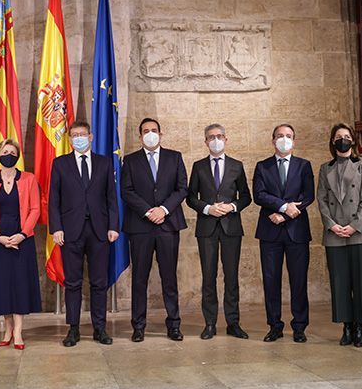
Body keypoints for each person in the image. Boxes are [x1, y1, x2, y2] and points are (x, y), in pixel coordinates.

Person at [49, 121, 119, 347]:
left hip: (100, 230)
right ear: (70, 140)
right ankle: (73, 329)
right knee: (73, 282)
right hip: (70, 231)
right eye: (74, 135)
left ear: (91, 137)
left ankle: (100, 328)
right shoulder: (60, 164)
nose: (78, 138)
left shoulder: (104, 163)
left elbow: (111, 198)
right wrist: (56, 228)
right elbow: (54, 200)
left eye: (82, 134)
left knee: (99, 282)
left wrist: (113, 226)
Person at [121, 117, 188, 342]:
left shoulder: (174, 157)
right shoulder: (129, 161)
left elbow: (182, 188)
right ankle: (138, 326)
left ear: (161, 134)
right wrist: (149, 211)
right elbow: (127, 191)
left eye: (154, 130)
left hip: (168, 225)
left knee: (169, 277)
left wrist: (164, 210)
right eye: (146, 131)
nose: (150, 134)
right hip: (141, 226)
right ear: (140, 136)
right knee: (140, 278)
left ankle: (174, 325)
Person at [186, 123, 252, 340]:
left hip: (231, 228)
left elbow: (245, 197)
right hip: (206, 228)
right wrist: (207, 208)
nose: (216, 140)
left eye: (220, 136)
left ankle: (233, 323)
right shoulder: (198, 166)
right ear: (205, 141)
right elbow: (190, 197)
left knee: (231, 277)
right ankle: (210, 323)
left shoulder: (236, 166)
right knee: (208, 276)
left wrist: (232, 206)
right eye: (211, 137)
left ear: (226, 139)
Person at [317, 123, 362, 347]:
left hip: (360, 232)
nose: (342, 139)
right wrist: (332, 225)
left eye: (346, 136)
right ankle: (347, 326)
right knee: (340, 282)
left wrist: (354, 225)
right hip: (334, 233)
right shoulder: (325, 168)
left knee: (361, 282)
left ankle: (360, 327)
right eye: (338, 137)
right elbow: (321, 199)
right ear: (333, 142)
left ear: (352, 140)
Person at [253, 124, 314, 343]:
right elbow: (258, 195)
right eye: (280, 136)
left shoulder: (304, 166)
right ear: (273, 141)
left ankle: (299, 327)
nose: (284, 139)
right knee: (271, 281)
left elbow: (308, 196)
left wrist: (286, 215)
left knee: (298, 280)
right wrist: (282, 206)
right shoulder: (262, 166)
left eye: (288, 136)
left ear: (294, 141)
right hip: (269, 233)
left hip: (296, 232)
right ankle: (274, 326)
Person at [0, 139, 41, 350]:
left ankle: (18, 331)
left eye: (12, 152)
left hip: (22, 240)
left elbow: (35, 209)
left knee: (20, 284)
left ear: (18, 156)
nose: (8, 154)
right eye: (5, 151)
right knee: (4, 286)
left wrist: (22, 234)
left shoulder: (29, 179)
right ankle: (7, 328)